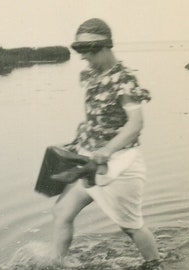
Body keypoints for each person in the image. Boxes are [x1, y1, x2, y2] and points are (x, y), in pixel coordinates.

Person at [50, 18, 163, 270]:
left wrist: (106, 150)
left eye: (88, 52)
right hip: (90, 161)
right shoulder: (93, 76)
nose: (84, 59)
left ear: (105, 47)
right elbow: (97, 119)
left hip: (119, 165)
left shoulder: (124, 80)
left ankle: (155, 264)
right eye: (80, 52)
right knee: (61, 212)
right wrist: (78, 143)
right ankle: (57, 265)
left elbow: (135, 124)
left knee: (131, 226)